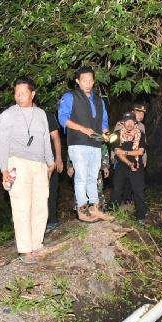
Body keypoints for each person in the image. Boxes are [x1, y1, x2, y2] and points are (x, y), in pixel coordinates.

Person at [0, 77, 55, 263]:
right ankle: (24, 249)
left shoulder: (41, 114)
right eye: (16, 93)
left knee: (40, 205)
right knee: (21, 205)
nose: (19, 96)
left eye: (23, 93)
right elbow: (2, 143)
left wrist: (50, 162)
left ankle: (37, 244)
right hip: (17, 162)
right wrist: (4, 169)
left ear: (33, 94)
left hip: (39, 164)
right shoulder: (7, 115)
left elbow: (46, 139)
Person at [58, 67, 112, 222]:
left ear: (94, 81)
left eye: (90, 80)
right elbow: (63, 118)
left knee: (93, 177)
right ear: (78, 81)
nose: (88, 83)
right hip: (78, 143)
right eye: (84, 80)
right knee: (81, 176)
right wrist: (82, 129)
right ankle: (82, 209)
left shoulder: (99, 100)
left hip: (96, 144)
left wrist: (107, 134)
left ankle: (95, 208)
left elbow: (104, 122)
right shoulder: (70, 96)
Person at [111, 112, 147, 221]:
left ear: (135, 123)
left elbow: (140, 152)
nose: (129, 124)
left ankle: (141, 216)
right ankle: (112, 211)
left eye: (132, 121)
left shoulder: (141, 134)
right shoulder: (116, 134)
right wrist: (129, 162)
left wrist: (125, 152)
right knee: (117, 189)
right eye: (127, 121)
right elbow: (117, 152)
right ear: (123, 123)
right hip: (121, 165)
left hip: (137, 165)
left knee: (138, 191)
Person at [45, 109, 64, 232]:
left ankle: (52, 220)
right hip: (29, 161)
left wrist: (58, 158)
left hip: (49, 160)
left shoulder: (46, 115)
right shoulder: (18, 116)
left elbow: (55, 137)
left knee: (51, 190)